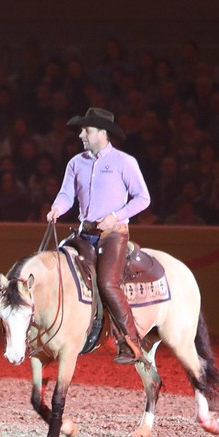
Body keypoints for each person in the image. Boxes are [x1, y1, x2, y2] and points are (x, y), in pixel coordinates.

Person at [46, 107, 151, 365]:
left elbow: (143, 198)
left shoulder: (124, 162)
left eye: (86, 130)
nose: (81, 134)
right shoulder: (75, 163)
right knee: (58, 268)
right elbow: (67, 194)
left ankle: (130, 341)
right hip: (84, 232)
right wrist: (57, 208)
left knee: (106, 283)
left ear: (102, 134)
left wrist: (115, 216)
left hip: (113, 235)